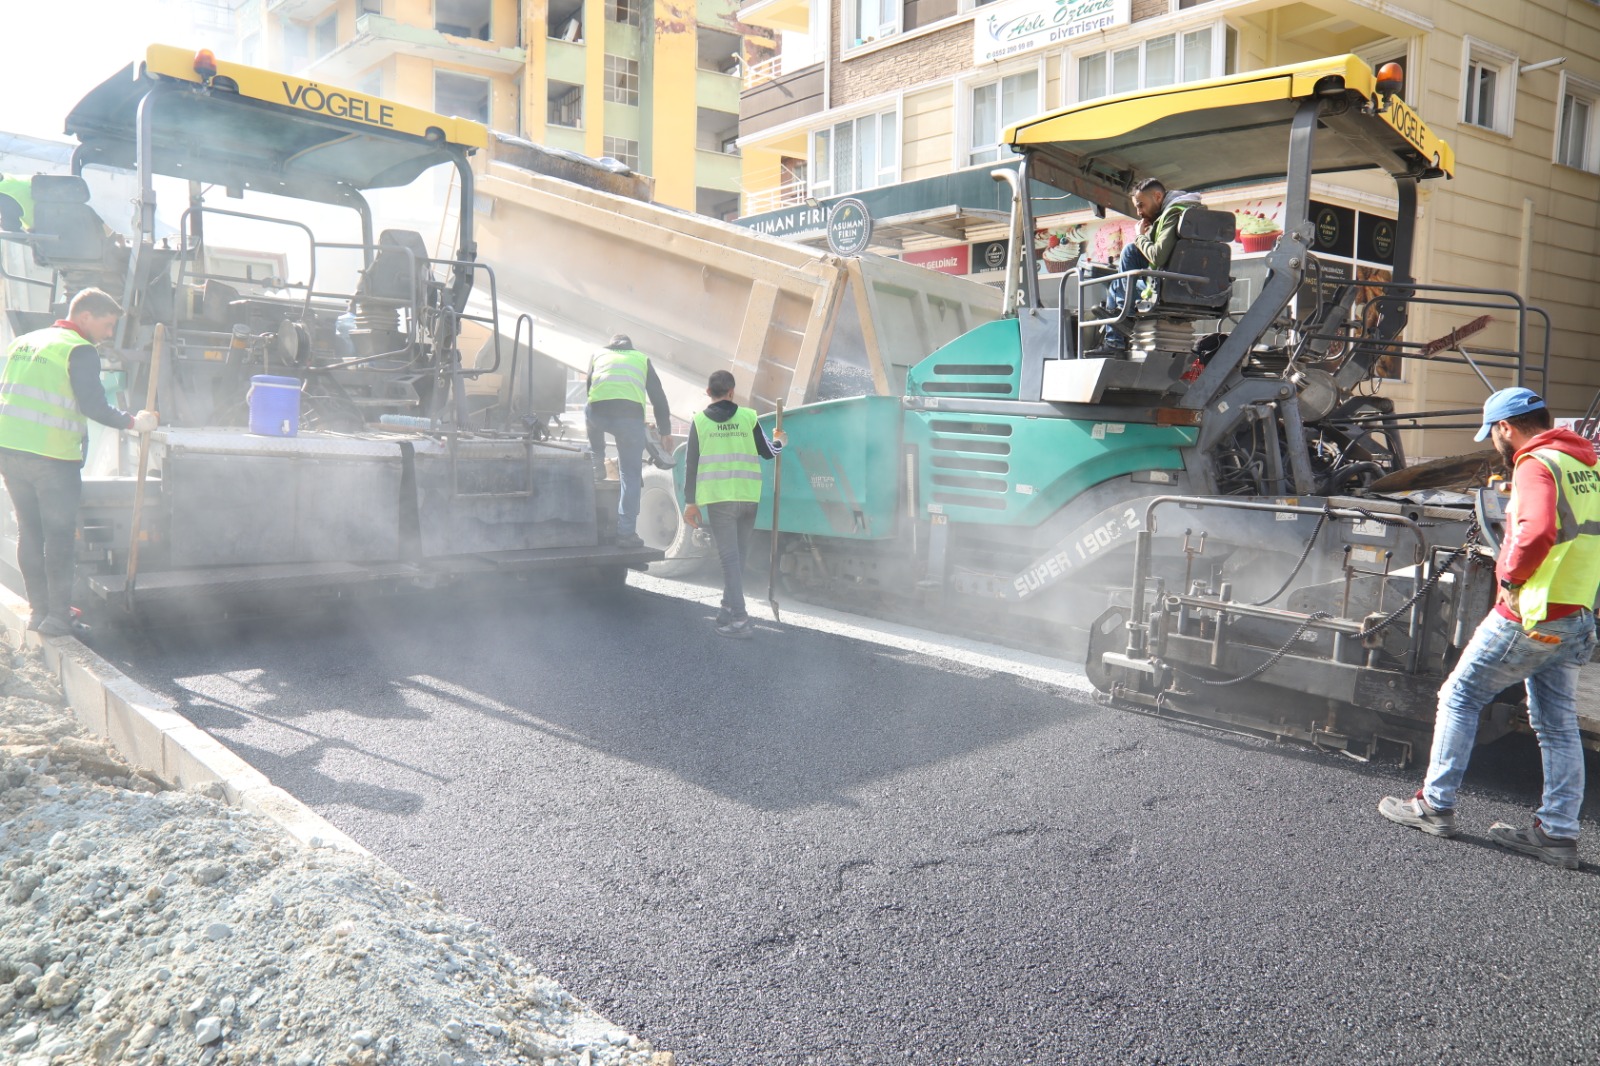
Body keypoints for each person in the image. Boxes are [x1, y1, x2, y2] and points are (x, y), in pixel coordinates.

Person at [1379, 387, 1600, 869]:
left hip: (1530, 613)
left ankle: (1434, 805)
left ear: (1506, 427)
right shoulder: (1586, 465)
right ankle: (1557, 834)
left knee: (1459, 696)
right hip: (1577, 615)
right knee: (1556, 723)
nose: (1496, 443)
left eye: (1494, 433)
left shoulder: (1535, 463)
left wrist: (1511, 577)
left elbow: (1537, 529)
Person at [0, 288, 158, 636]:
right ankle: (58, 618)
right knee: (58, 538)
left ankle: (38, 611)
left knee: (29, 532)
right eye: (107, 324)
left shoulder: (24, 342)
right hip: (52, 458)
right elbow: (94, 406)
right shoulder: (79, 349)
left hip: (10, 452)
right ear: (84, 316)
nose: (108, 333)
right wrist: (136, 422)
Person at [681, 370, 783, 639]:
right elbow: (768, 452)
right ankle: (727, 608)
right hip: (748, 497)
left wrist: (690, 503)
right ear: (731, 392)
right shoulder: (749, 417)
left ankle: (739, 618)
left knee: (729, 558)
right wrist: (780, 440)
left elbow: (691, 465)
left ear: (708, 392)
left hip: (720, 499)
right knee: (739, 555)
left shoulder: (700, 421)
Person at [1095, 178, 1202, 353]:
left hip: (1170, 287)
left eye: (1141, 205)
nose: (1139, 212)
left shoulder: (1174, 214)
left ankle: (1121, 325)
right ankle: (1122, 319)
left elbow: (1158, 257)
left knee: (1127, 258)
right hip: (1192, 286)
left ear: (1158, 196)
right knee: (1118, 284)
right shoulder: (1194, 215)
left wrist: (1140, 236)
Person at [586, 333, 672, 548]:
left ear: (611, 344)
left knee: (591, 416)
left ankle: (597, 460)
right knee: (630, 476)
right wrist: (665, 430)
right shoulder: (641, 359)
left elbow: (590, 388)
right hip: (629, 420)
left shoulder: (598, 354)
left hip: (597, 414)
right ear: (630, 347)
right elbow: (658, 396)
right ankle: (626, 534)